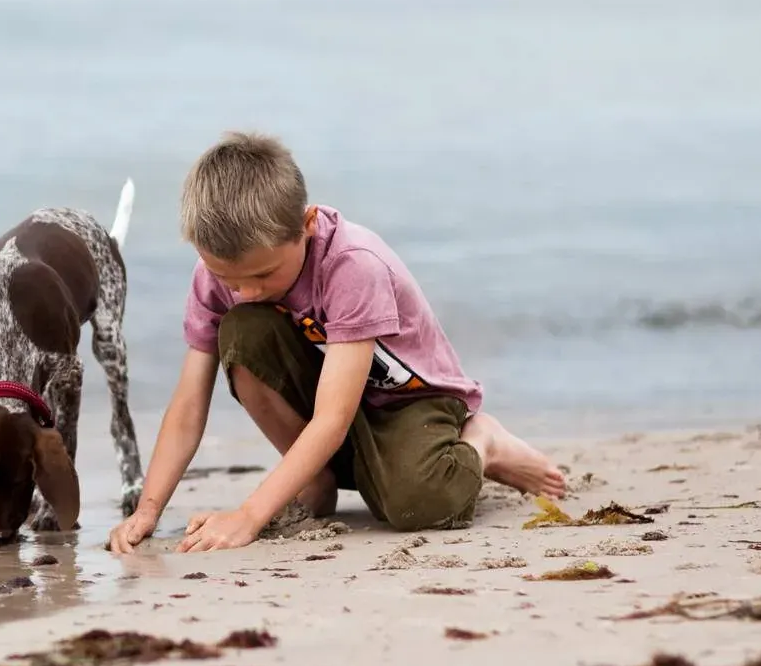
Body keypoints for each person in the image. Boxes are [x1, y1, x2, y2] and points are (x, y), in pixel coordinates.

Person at [107, 132, 565, 554]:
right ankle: (317, 482)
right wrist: (148, 510)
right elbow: (188, 405)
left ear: (306, 225)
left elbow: (332, 418)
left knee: (415, 507)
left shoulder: (351, 265)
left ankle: (484, 440)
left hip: (411, 403)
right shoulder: (217, 278)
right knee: (242, 329)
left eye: (264, 274)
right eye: (228, 277)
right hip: (334, 410)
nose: (244, 291)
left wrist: (249, 516)